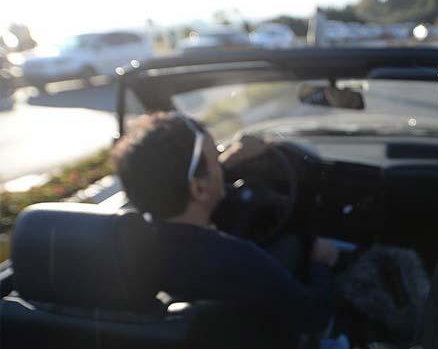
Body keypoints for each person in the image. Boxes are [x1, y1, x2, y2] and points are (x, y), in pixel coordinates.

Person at [111, 111, 338, 336]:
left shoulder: (127, 247)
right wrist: (321, 265)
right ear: (198, 188)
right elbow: (313, 317)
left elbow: (188, 184)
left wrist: (230, 159)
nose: (221, 166)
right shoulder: (239, 259)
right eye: (215, 159)